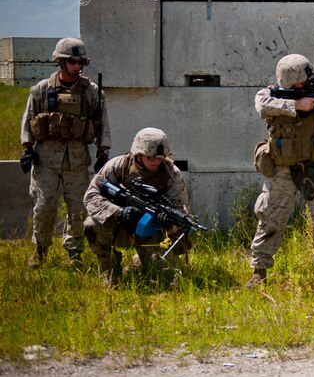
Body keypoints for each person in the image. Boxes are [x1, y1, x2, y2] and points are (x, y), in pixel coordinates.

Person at [247, 54, 314, 288]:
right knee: (271, 218)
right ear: (289, 82)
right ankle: (259, 271)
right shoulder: (270, 94)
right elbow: (262, 106)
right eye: (302, 81)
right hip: (281, 168)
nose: (307, 84)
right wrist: (296, 105)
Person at [20, 37, 111, 268]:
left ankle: (74, 254)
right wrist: (26, 149)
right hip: (46, 160)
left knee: (78, 209)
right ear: (61, 61)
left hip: (77, 161)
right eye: (72, 61)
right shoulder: (42, 89)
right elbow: (29, 120)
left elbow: (102, 125)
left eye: (81, 61)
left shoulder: (92, 93)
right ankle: (40, 251)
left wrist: (103, 152)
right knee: (44, 206)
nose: (77, 66)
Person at [83, 128, 191, 285]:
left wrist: (167, 222)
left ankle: (137, 264)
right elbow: (91, 196)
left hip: (152, 232)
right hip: (121, 224)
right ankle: (111, 269)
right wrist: (118, 212)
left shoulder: (171, 174)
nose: (156, 161)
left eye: (160, 158)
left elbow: (180, 209)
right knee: (91, 225)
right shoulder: (118, 166)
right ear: (138, 155)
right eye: (150, 157)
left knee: (164, 279)